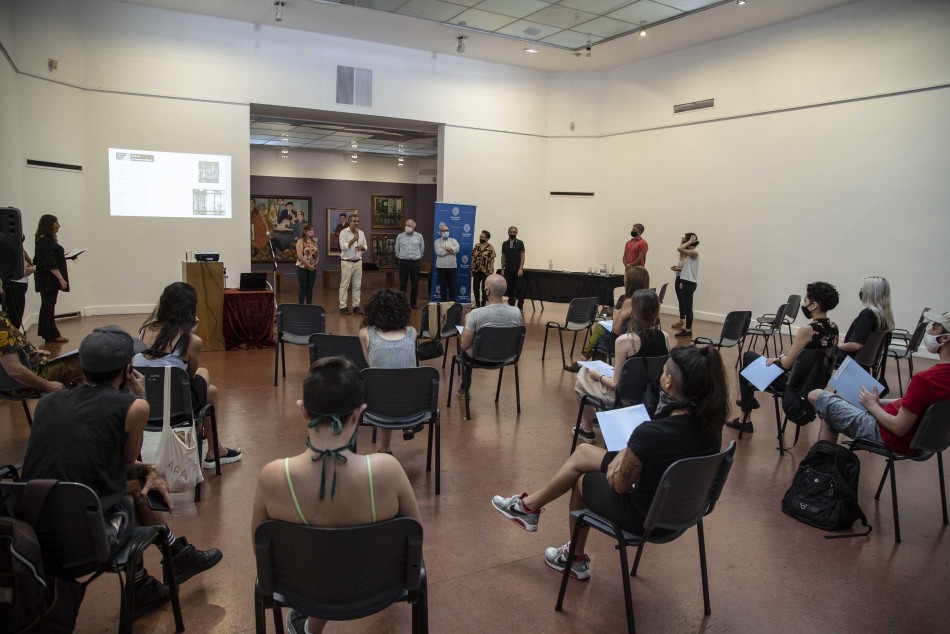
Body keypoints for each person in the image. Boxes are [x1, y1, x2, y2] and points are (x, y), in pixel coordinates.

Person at [21, 325, 222, 618]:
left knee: (133, 487)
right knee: (134, 495)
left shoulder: (48, 402)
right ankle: (159, 568)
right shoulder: (132, 406)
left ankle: (171, 559)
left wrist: (147, 470)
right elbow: (127, 466)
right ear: (127, 368)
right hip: (82, 540)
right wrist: (140, 397)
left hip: (33, 528)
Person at [491, 345, 728, 580]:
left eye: (664, 371)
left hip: (645, 518)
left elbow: (619, 486)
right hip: (683, 514)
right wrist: (631, 451)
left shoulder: (651, 433)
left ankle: (573, 558)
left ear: (668, 384)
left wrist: (628, 452)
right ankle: (528, 507)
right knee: (584, 452)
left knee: (582, 481)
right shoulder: (711, 427)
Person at [251, 357, 421, 634]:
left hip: (304, 590)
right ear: (359, 413)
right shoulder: (387, 471)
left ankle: (308, 624)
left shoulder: (274, 476)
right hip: (377, 587)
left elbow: (261, 551)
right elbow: (415, 536)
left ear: (303, 411)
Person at [810, 309, 950, 455]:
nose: (929, 331)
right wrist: (877, 403)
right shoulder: (934, 380)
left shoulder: (925, 380)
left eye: (934, 327)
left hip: (891, 436)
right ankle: (822, 470)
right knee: (833, 409)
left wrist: (872, 406)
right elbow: (914, 403)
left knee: (817, 395)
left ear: (945, 338)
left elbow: (899, 428)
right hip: (923, 443)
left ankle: (820, 469)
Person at [135, 282, 242, 469]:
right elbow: (189, 375)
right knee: (204, 373)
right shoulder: (192, 341)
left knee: (212, 392)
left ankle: (215, 448)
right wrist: (189, 334)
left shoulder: (144, 331)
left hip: (144, 406)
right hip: (177, 410)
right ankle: (213, 450)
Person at [728, 281, 839, 433]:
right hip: (811, 382)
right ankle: (747, 406)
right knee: (747, 367)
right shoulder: (834, 328)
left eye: (806, 301)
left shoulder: (808, 329)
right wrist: (780, 358)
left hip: (791, 382)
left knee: (747, 362)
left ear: (814, 305)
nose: (804, 305)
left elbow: (787, 364)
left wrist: (779, 358)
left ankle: (745, 415)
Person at [572, 289, 670, 443]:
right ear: (657, 312)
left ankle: (587, 429)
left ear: (634, 313)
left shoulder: (625, 341)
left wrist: (599, 376)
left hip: (623, 398)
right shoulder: (665, 337)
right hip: (650, 396)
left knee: (583, 375)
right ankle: (598, 419)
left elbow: (615, 385)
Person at [358, 289, 418, 453]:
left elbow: (372, 365)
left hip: (379, 404)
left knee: (385, 384)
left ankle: (385, 448)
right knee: (400, 380)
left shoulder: (365, 334)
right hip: (413, 404)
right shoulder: (412, 333)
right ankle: (408, 425)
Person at [0, 280, 84, 390]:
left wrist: (30, 352)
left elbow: (5, 352)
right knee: (88, 358)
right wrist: (48, 385)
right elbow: (15, 370)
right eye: (1, 287)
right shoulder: (1, 324)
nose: (3, 290)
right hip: (34, 376)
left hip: (9, 382)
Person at [567, 266, 651, 373]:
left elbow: (616, 330)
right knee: (600, 328)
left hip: (626, 339)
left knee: (600, 335)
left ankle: (592, 366)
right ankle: (586, 360)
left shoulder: (629, 301)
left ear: (630, 283)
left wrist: (617, 315)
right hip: (641, 338)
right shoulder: (648, 300)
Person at [457, 273, 522, 398]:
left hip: (478, 359)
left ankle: (465, 388)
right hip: (506, 358)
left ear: (487, 291)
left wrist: (467, 323)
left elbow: (464, 345)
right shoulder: (516, 312)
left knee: (463, 344)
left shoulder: (476, 313)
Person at [836, 276, 895, 369]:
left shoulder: (867, 314)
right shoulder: (885, 315)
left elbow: (855, 345)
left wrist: (839, 345)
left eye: (863, 289)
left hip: (851, 359)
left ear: (870, 292)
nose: (861, 291)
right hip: (867, 360)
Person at [33, 214, 69, 343]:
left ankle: (47, 333)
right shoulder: (46, 242)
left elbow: (41, 259)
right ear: (49, 225)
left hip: (45, 279)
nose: (59, 225)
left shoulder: (40, 240)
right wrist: (61, 279)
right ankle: (52, 335)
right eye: (56, 223)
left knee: (47, 305)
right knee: (49, 306)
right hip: (49, 280)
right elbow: (49, 263)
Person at [2, 239, 34, 329]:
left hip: (21, 283)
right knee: (14, 317)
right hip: (14, 284)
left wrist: (30, 268)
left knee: (18, 315)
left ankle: (15, 337)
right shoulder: (7, 247)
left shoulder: (19, 247)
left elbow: (26, 261)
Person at [338, 215, 367, 315]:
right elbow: (343, 246)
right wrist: (353, 239)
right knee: (344, 285)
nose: (356, 223)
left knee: (357, 286)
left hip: (358, 262)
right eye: (354, 221)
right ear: (349, 222)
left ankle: (356, 306)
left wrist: (362, 247)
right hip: (347, 262)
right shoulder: (343, 232)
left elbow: (366, 246)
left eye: (358, 221)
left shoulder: (361, 233)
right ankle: (343, 306)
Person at [673, 232, 700, 339]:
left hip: (689, 283)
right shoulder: (689, 254)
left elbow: (679, 248)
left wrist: (689, 241)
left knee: (688, 308)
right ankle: (687, 328)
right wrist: (682, 282)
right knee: (686, 305)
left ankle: (688, 330)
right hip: (686, 281)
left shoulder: (695, 252)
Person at [395, 218, 424, 309]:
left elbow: (422, 249)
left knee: (415, 284)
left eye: (409, 225)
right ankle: (402, 303)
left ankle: (413, 303)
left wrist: (418, 257)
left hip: (415, 262)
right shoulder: (400, 236)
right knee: (403, 283)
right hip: (403, 262)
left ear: (414, 227)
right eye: (406, 225)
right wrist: (400, 257)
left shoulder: (419, 236)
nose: (407, 227)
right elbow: (397, 248)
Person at [434, 222, 460, 303]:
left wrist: (446, 249)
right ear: (440, 232)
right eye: (443, 230)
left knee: (452, 286)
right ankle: (443, 302)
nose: (445, 232)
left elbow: (457, 249)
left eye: (447, 230)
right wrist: (450, 251)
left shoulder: (453, 240)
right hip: (441, 267)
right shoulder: (437, 241)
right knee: (443, 286)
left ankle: (452, 302)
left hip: (452, 267)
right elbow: (438, 252)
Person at [501, 226, 526, 311]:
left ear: (516, 233)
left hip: (517, 269)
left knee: (520, 288)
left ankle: (520, 306)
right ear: (508, 232)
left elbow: (522, 256)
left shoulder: (520, 243)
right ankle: (511, 306)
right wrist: (502, 269)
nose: (512, 233)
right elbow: (503, 257)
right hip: (508, 269)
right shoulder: (505, 243)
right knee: (510, 288)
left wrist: (521, 269)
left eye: (514, 232)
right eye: (511, 232)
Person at [294, 223, 319, 305]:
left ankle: (309, 306)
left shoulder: (314, 242)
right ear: (305, 231)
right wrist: (308, 265)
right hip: (302, 267)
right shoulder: (300, 241)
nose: (312, 231)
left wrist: (314, 265)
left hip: (313, 268)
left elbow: (318, 255)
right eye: (310, 230)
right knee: (303, 286)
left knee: (310, 287)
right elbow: (300, 255)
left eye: (313, 229)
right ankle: (301, 306)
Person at [471, 230, 496, 308]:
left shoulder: (490, 247)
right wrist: (471, 268)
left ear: (487, 238)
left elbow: (492, 259)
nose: (480, 238)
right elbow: (473, 257)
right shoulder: (477, 246)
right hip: (476, 270)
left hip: (486, 271)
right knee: (475, 287)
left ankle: (483, 305)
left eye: (482, 237)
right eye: (480, 236)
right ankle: (477, 304)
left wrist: (491, 269)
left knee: (484, 288)